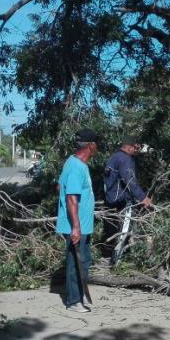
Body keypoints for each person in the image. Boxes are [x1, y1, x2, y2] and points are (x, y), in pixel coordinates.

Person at [56, 129, 100, 313]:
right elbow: (71, 197)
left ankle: (79, 295)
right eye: (96, 144)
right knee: (76, 263)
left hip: (83, 225)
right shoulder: (76, 167)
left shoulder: (74, 162)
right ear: (90, 146)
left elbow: (59, 186)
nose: (97, 147)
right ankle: (74, 301)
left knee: (84, 260)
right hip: (77, 226)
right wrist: (75, 227)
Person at [102, 135, 153, 252]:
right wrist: (143, 198)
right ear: (130, 147)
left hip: (110, 199)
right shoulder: (126, 159)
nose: (136, 150)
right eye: (135, 148)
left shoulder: (114, 157)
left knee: (112, 230)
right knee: (124, 231)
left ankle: (109, 252)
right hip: (121, 201)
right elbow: (130, 181)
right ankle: (118, 256)